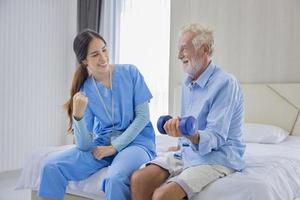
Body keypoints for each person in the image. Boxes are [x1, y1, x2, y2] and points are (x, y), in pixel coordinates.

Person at [131, 22, 246, 200]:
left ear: (204, 49)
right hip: (189, 153)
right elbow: (189, 126)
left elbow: (215, 136)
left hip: (218, 157)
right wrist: (180, 141)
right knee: (139, 179)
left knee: (162, 196)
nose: (179, 55)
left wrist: (188, 133)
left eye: (184, 49)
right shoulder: (188, 83)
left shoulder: (226, 83)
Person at [37, 29, 156, 200]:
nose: (103, 57)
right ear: (84, 60)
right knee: (50, 166)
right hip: (102, 144)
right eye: (95, 54)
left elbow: (143, 117)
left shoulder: (130, 73)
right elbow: (85, 146)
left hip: (137, 143)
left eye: (104, 49)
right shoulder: (86, 91)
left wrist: (114, 147)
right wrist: (77, 117)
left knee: (114, 179)